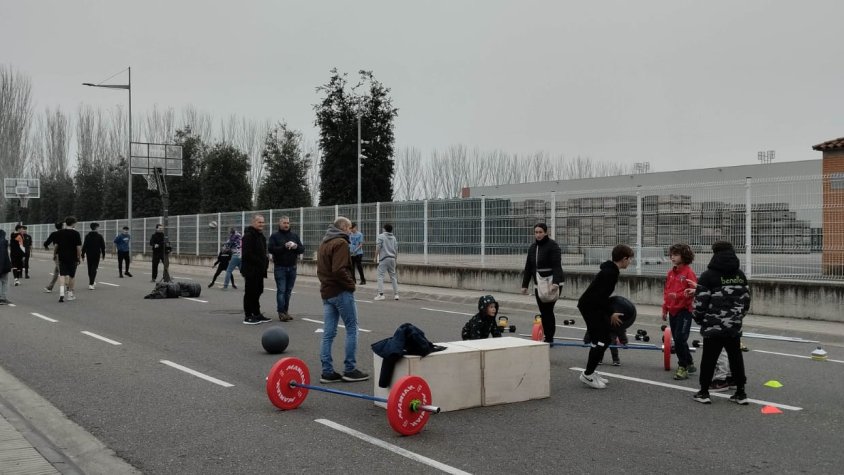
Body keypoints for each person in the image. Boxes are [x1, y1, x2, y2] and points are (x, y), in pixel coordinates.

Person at [692, 241, 751, 405]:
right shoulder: (740, 275)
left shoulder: (708, 276)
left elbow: (700, 303)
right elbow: (746, 301)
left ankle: (704, 392)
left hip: (713, 326)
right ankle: (741, 392)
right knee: (736, 357)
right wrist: (738, 317)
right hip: (733, 325)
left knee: (709, 358)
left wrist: (699, 319)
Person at [317, 216, 369, 383]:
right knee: (352, 328)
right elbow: (339, 269)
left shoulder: (324, 243)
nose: (351, 231)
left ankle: (327, 371)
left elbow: (322, 270)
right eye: (349, 228)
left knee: (328, 333)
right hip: (340, 291)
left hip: (327, 292)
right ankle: (350, 369)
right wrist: (351, 285)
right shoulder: (340, 243)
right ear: (344, 228)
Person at [577, 244, 635, 389]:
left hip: (592, 306)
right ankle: (588, 375)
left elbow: (601, 296)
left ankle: (591, 372)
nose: (630, 262)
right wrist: (611, 313)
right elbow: (599, 297)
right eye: (630, 260)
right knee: (602, 339)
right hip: (590, 307)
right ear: (624, 258)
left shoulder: (611, 270)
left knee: (602, 339)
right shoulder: (610, 273)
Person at [521, 223, 564, 343]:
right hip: (539, 284)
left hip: (553, 283)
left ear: (546, 232)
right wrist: (524, 285)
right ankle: (547, 336)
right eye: (536, 232)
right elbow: (528, 267)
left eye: (540, 232)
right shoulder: (532, 248)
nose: (538, 234)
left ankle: (549, 338)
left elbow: (557, 265)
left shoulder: (553, 246)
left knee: (548, 311)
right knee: (543, 312)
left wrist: (555, 283)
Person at [662, 243, 698, 380]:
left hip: (684, 311)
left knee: (680, 339)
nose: (672, 257)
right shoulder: (670, 273)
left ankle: (682, 366)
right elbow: (667, 292)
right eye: (671, 254)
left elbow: (693, 292)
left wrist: (679, 296)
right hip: (673, 311)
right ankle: (689, 363)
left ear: (684, 256)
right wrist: (664, 308)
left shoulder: (689, 273)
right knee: (678, 340)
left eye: (676, 255)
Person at [267, 216, 304, 322]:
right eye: (284, 223)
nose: (286, 225)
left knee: (288, 291)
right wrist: (284, 247)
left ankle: (286, 311)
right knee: (281, 290)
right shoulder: (274, 236)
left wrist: (296, 247)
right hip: (280, 267)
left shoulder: (294, 236)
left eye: (287, 223)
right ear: (279, 224)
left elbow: (302, 249)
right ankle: (281, 312)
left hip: (292, 267)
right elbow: (271, 249)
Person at [240, 215, 271, 324]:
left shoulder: (261, 236)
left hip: (259, 271)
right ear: (253, 222)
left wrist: (265, 262)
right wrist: (260, 261)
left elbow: (263, 252)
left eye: (263, 222)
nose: (261, 224)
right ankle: (248, 316)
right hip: (250, 270)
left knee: (258, 291)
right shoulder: (248, 236)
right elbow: (247, 254)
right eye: (259, 222)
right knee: (250, 292)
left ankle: (256, 313)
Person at [54, 216, 82, 303]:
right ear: (73, 223)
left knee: (62, 275)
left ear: (65, 223)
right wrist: (79, 257)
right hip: (72, 257)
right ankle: (70, 294)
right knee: (72, 276)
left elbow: (56, 246)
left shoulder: (60, 233)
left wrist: (55, 254)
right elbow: (78, 247)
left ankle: (61, 293)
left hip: (62, 256)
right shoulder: (76, 234)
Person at [373, 223, 399, 301]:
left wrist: (375, 257)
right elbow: (396, 249)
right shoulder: (393, 238)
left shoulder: (381, 236)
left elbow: (378, 247)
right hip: (392, 258)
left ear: (384, 229)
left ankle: (381, 294)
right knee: (393, 277)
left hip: (384, 258)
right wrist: (395, 259)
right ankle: (396, 294)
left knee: (380, 276)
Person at [81, 222, 106, 290]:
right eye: (98, 227)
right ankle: (91, 284)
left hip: (89, 254)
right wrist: (103, 254)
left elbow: (84, 246)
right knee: (94, 268)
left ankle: (91, 281)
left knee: (90, 268)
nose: (99, 228)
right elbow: (103, 246)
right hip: (96, 254)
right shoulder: (99, 236)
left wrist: (82, 254)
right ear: (96, 227)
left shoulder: (87, 236)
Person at [42, 221, 64, 292]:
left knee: (61, 271)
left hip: (58, 253)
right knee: (57, 271)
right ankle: (50, 287)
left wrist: (46, 246)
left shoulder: (54, 234)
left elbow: (47, 242)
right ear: (62, 226)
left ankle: (68, 288)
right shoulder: (66, 233)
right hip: (67, 253)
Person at [0, 229, 12, 305]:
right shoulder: (3, 243)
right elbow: (3, 256)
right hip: (3, 266)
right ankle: (3, 298)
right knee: (4, 281)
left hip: (2, 266)